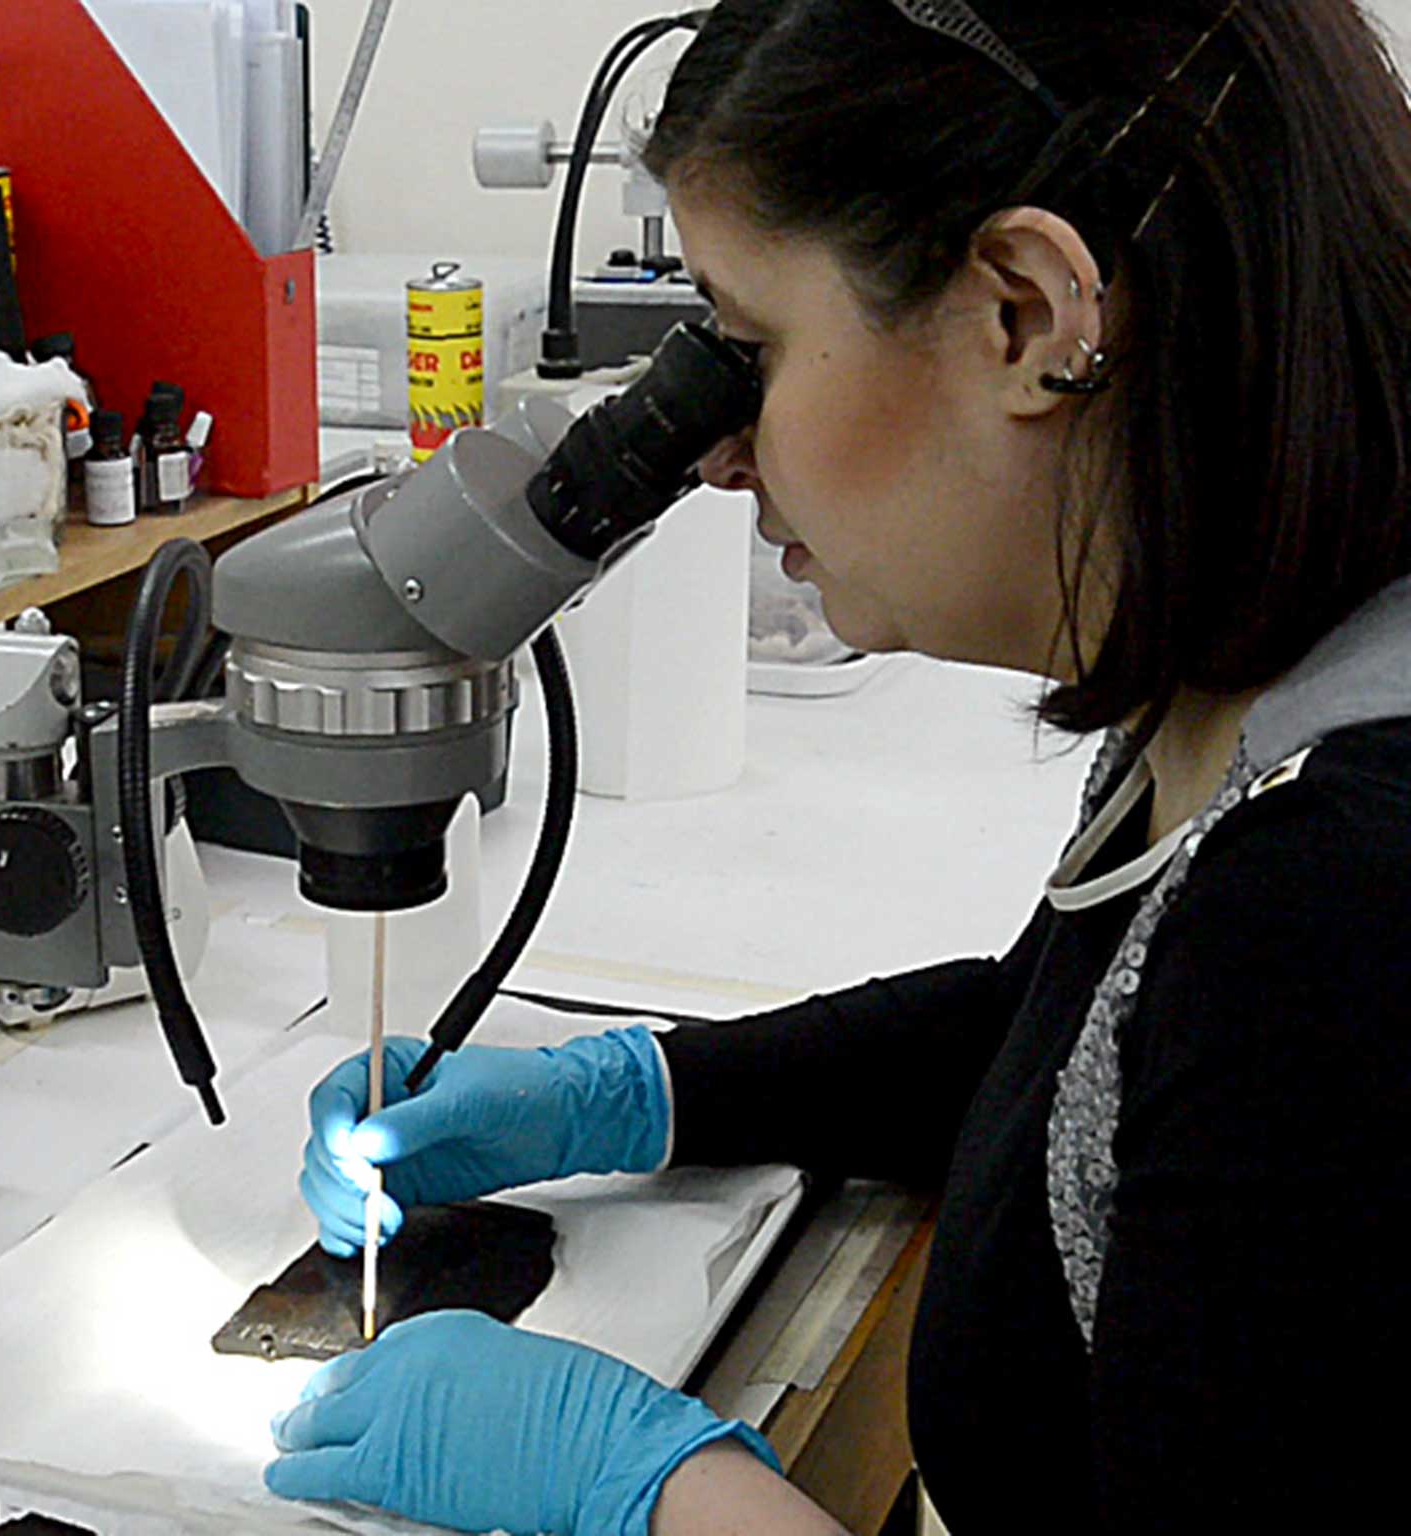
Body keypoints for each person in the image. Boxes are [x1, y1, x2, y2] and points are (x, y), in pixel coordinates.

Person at [260, 1, 1411, 1532]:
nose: (721, 453)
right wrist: (630, 1095)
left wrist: (663, 1499)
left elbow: (1246, 1063)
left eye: (749, 349)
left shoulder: (1338, 908)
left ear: (1027, 311)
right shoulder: (1259, 688)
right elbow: (1079, 1073)